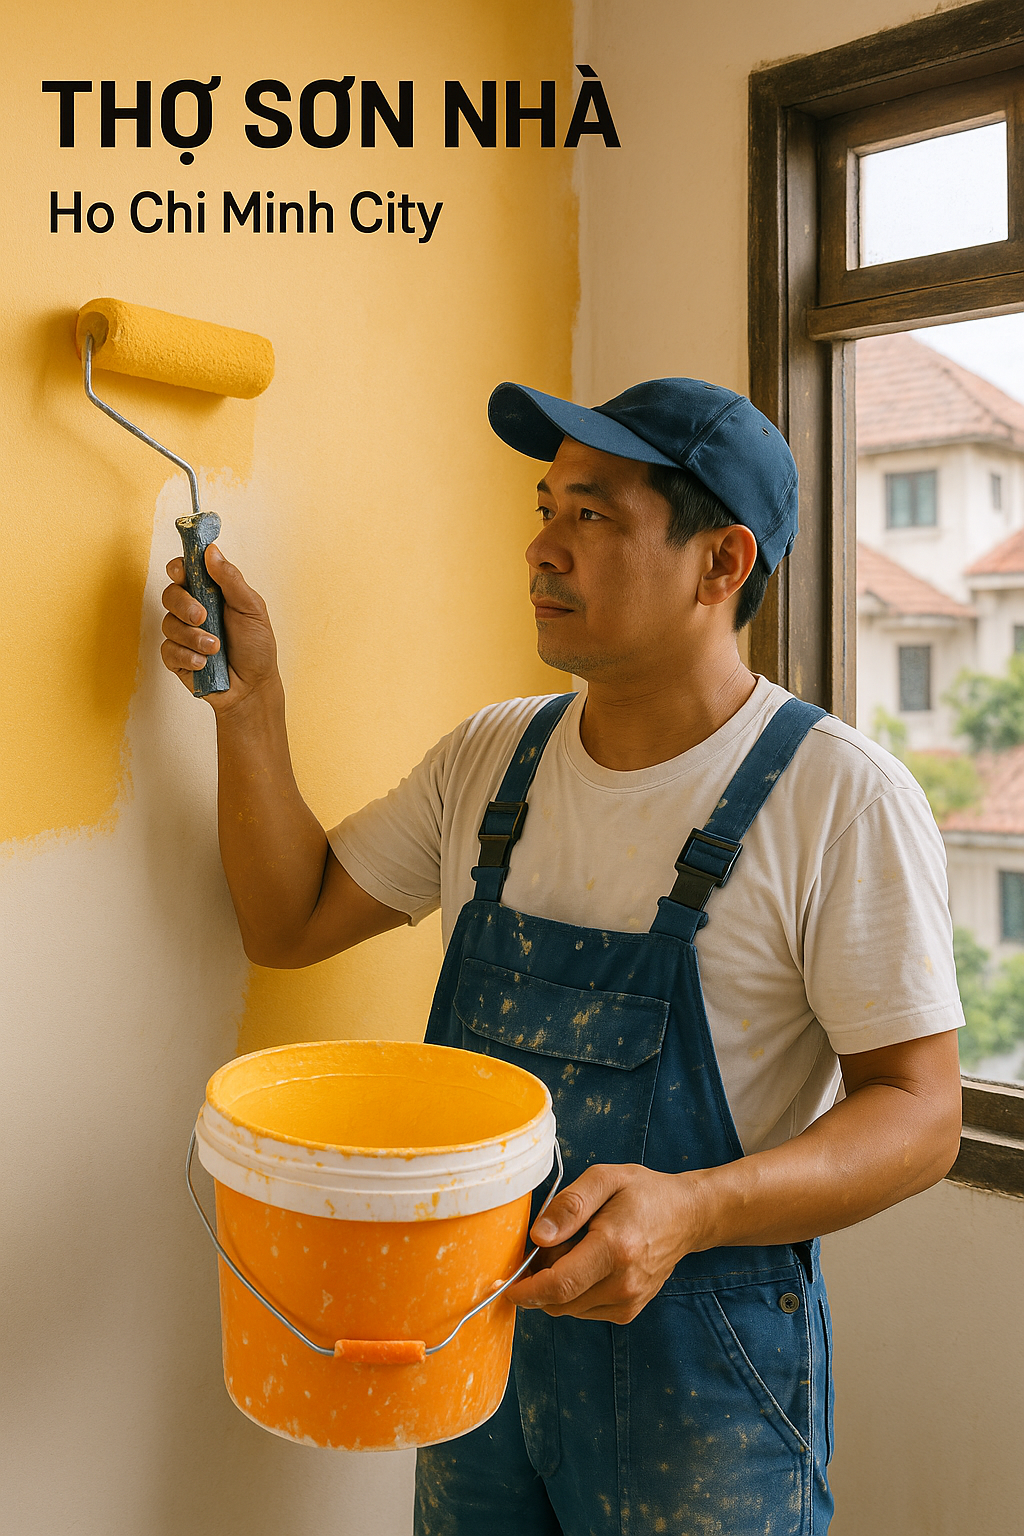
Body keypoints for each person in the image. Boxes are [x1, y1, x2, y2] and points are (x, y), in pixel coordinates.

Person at [161, 377, 964, 1536]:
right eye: (546, 507)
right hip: (468, 1347)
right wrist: (251, 704)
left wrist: (691, 1207)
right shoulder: (493, 758)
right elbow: (290, 921)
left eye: (592, 516)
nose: (540, 548)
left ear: (721, 562)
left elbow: (920, 1113)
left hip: (702, 1380)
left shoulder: (836, 796)